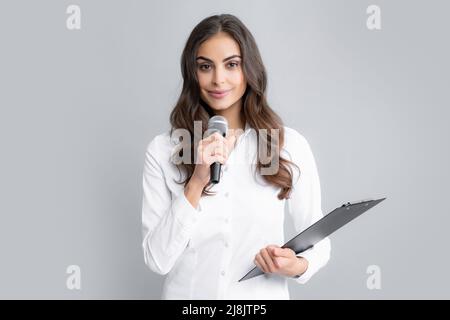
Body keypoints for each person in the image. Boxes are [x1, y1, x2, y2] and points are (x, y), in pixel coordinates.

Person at [141, 14, 330, 300]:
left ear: (249, 69)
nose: (218, 79)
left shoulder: (288, 145)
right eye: (205, 66)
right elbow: (157, 260)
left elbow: (318, 239)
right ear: (192, 73)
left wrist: (297, 265)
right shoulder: (163, 150)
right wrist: (197, 182)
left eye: (232, 64)